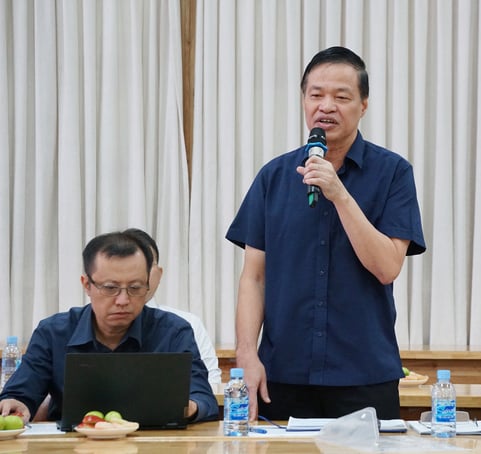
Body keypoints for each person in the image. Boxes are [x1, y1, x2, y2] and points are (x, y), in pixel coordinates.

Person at [226, 46, 426, 421]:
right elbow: (253, 278)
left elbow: (387, 267)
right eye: (316, 95)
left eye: (341, 96)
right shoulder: (274, 177)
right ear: (303, 101)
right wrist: (246, 356)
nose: (326, 106)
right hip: (282, 375)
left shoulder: (393, 173)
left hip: (363, 375)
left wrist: (339, 194)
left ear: (363, 105)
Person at [0, 231, 219, 423]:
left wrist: (188, 406)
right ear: (87, 285)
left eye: (135, 287)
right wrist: (15, 404)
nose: (123, 300)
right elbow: (20, 393)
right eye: (111, 288)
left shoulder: (173, 331)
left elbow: (204, 399)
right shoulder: (53, 332)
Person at [123, 228, 223, 385]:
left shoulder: (187, 324)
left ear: (159, 273)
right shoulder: (93, 322)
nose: (138, 274)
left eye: (147, 264)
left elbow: (210, 383)